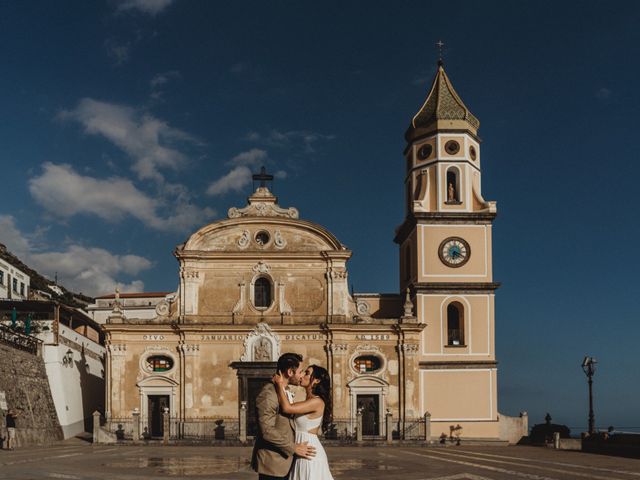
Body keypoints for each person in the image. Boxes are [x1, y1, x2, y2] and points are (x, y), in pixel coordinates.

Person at [251, 353, 316, 480]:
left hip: (286, 462)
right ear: (290, 372)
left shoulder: (283, 390)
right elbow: (266, 430)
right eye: (300, 371)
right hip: (273, 464)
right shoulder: (268, 394)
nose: (302, 375)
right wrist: (293, 447)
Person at [273, 365, 334, 480]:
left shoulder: (317, 401)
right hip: (301, 450)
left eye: (307, 373)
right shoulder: (308, 401)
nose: (302, 375)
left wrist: (279, 384)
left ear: (316, 380)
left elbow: (287, 408)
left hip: (310, 452)